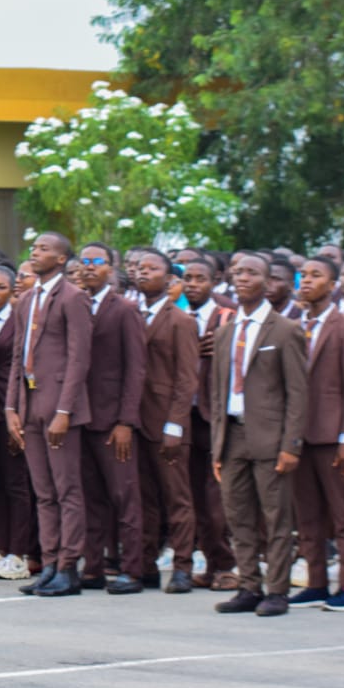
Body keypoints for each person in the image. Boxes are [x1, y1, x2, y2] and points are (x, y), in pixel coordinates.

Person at [211, 252, 306, 617]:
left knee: (276, 518)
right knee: (238, 516)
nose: (242, 278)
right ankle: (249, 586)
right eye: (237, 273)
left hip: (270, 439)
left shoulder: (285, 330)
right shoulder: (225, 332)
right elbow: (218, 393)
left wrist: (291, 444)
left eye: (251, 273)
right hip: (232, 436)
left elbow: (298, 393)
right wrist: (218, 446)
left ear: (267, 283)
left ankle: (277, 591)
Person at [7, 232, 92, 598]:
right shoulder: (26, 299)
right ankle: (50, 562)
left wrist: (65, 411)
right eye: (33, 247)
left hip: (58, 407)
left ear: (61, 259)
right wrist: (11, 406)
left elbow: (79, 358)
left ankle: (69, 567)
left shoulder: (73, 298)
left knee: (67, 489)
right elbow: (17, 356)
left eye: (44, 248)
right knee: (43, 492)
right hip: (29, 404)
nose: (35, 252)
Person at [75, 243, 146, 595]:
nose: (89, 267)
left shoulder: (125, 310)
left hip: (112, 419)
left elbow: (136, 369)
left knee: (125, 497)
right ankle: (93, 567)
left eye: (96, 261)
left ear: (111, 268)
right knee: (90, 499)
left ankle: (132, 569)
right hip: (80, 417)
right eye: (84, 261)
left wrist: (126, 421)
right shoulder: (75, 304)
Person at [134, 250, 200, 594]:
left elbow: (187, 379)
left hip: (168, 425)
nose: (144, 273)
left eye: (152, 268)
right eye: (140, 268)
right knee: (145, 499)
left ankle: (182, 567)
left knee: (177, 499)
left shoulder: (181, 320)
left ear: (170, 278)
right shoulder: (132, 314)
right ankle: (145, 566)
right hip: (136, 422)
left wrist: (175, 424)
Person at [288, 256, 344, 611]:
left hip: (332, 435)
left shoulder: (342, 326)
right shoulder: (295, 324)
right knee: (307, 514)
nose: (307, 281)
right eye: (304, 275)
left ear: (333, 284)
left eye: (316, 276)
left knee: (343, 515)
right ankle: (315, 583)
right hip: (299, 436)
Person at [179, 256, 238, 590]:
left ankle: (229, 563)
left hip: (217, 416)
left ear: (213, 281)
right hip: (186, 417)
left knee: (218, 499)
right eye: (187, 278)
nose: (192, 284)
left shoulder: (228, 314)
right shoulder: (180, 314)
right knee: (196, 497)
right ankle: (212, 562)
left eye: (200, 278)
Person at [0, 264, 38, 580]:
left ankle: (19, 551)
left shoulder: (18, 322)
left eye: (0, 287)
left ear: (13, 290)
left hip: (9, 411)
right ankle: (1, 548)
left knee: (16, 484)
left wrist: (17, 413)